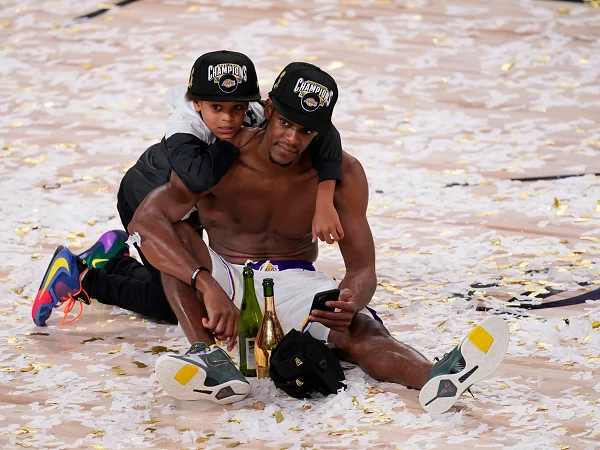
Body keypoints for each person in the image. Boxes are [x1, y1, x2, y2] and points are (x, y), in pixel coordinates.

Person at [129, 62, 509, 413]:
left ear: (322, 131)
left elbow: (362, 268)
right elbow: (146, 223)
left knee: (362, 331)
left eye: (306, 131)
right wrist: (206, 284)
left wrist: (350, 300)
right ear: (268, 110)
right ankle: (207, 356)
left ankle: (437, 377)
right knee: (174, 235)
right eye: (285, 123)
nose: (292, 139)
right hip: (227, 272)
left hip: (296, 281)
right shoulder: (218, 157)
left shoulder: (343, 173)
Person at [31, 50, 345, 328]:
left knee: (184, 281)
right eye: (216, 107)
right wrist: (238, 143)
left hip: (189, 202)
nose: (228, 118)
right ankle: (81, 277)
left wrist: (324, 199)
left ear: (255, 104)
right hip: (148, 195)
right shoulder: (185, 124)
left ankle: (113, 260)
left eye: (237, 108)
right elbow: (197, 178)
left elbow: (325, 133)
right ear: (196, 103)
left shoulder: (255, 114)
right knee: (175, 304)